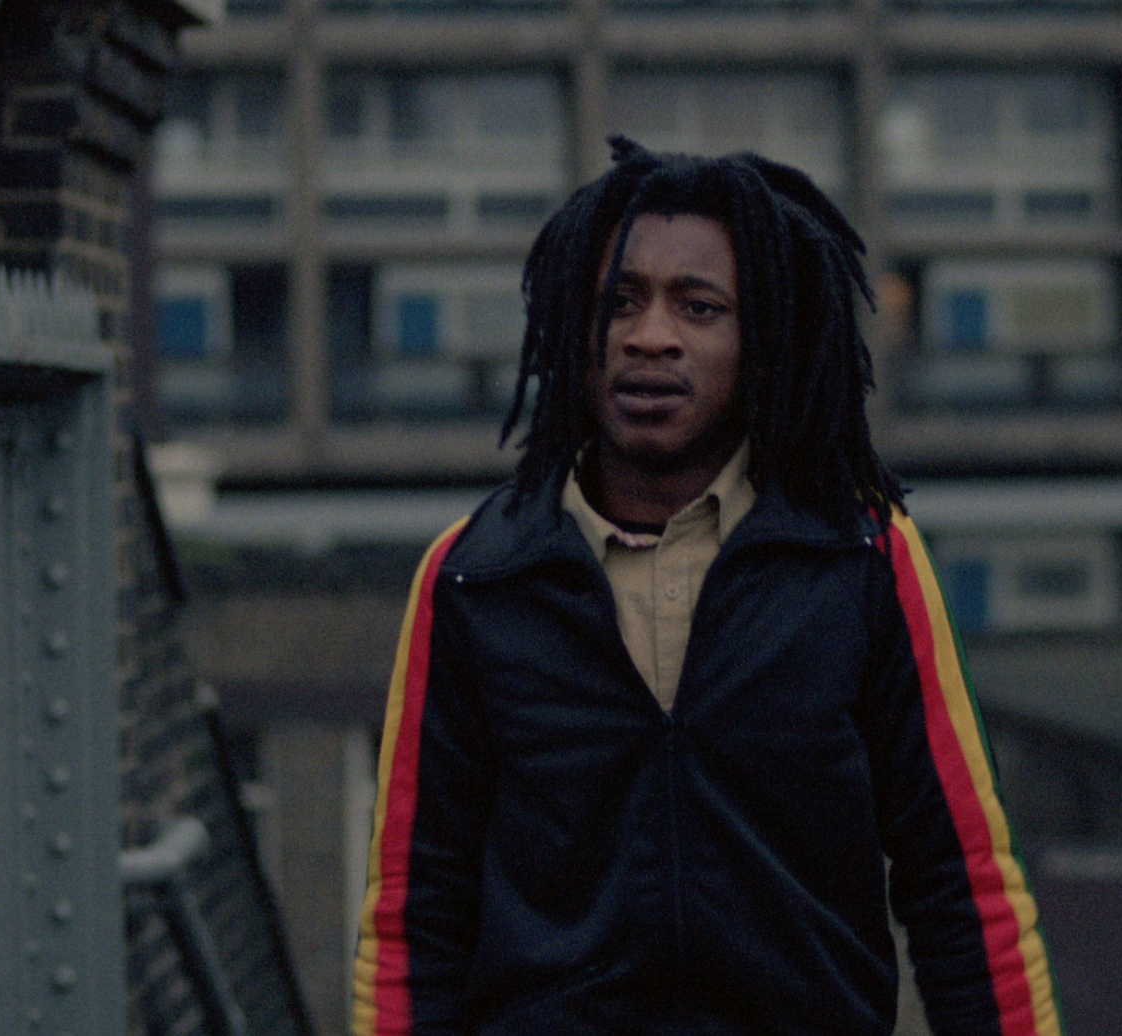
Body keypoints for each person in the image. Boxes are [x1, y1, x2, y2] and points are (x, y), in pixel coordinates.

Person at [352, 137, 1060, 1036]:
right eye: (618, 303)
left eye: (699, 307)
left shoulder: (864, 559)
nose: (650, 336)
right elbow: (413, 915)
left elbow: (964, 887)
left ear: (760, 340)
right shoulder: (473, 575)